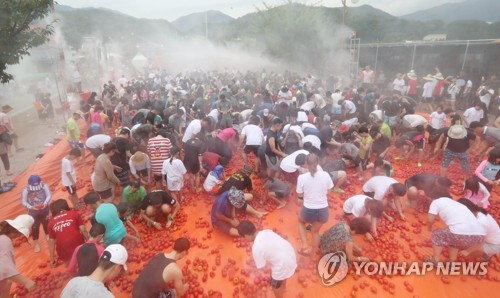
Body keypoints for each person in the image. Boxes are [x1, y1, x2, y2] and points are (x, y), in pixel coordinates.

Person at [237, 221, 297, 298]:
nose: (244, 239)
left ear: (246, 235)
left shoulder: (256, 247)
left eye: (243, 237)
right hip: (290, 253)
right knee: (282, 275)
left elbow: (262, 266)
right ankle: (283, 287)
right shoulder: (266, 231)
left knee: (275, 286)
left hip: (283, 264)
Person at [426, 196, 485, 263]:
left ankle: (435, 260)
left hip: (461, 235)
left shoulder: (436, 202)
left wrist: (429, 226)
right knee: (454, 237)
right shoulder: (460, 205)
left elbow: (430, 220)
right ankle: (451, 261)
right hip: (480, 238)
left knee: (436, 234)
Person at [296, 154, 333, 257]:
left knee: (300, 221)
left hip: (308, 209)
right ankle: (313, 254)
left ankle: (305, 246)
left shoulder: (302, 177)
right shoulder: (325, 174)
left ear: (306, 164)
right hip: (323, 211)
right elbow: (329, 191)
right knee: (315, 231)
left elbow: (299, 194)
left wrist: (303, 197)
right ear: (318, 162)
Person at [61, 244, 128, 298]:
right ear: (116, 267)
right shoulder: (106, 296)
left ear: (100, 260)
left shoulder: (73, 282)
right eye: (120, 269)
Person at [0, 215, 36, 296]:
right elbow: (3, 265)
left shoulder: (2, 237)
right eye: (20, 233)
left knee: (5, 285)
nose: (19, 236)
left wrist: (9, 277)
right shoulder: (5, 240)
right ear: (15, 230)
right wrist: (25, 282)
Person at [21, 174, 52, 252]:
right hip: (33, 212)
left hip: (44, 209)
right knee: (35, 227)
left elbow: (49, 195)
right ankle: (36, 243)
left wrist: (45, 203)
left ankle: (48, 235)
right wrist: (31, 207)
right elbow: (23, 202)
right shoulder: (26, 191)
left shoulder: (44, 186)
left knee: (46, 222)